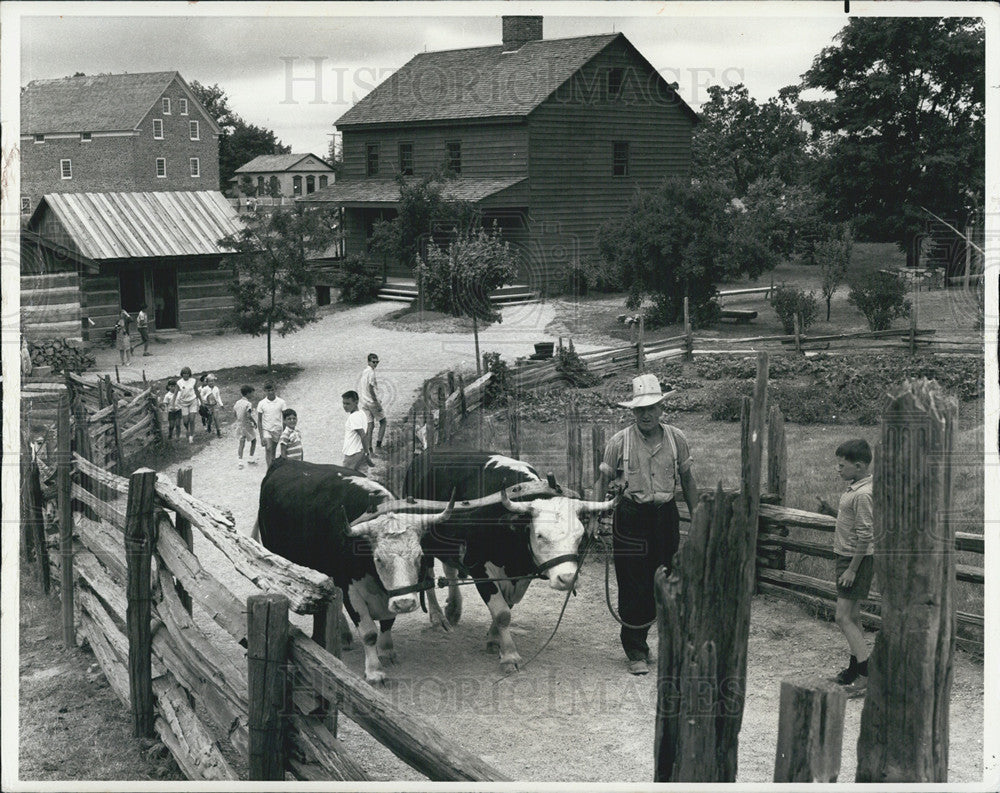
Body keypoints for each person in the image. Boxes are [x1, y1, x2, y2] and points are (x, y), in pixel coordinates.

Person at [592, 374, 698, 676]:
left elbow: (688, 481)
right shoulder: (619, 441)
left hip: (665, 517)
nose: (646, 414)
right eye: (640, 409)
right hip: (630, 518)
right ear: (632, 412)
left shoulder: (677, 439)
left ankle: (659, 644)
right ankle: (636, 650)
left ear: (662, 407)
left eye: (652, 407)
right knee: (632, 584)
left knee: (664, 580)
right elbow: (602, 481)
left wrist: (700, 518)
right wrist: (593, 517)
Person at [816, 438, 874, 693]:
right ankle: (854, 670)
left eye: (842, 465)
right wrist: (830, 511)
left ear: (859, 466)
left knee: (842, 617)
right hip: (847, 557)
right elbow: (851, 524)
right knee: (852, 616)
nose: (837, 469)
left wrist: (852, 569)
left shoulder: (863, 494)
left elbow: (866, 535)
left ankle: (865, 675)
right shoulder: (856, 488)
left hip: (854, 560)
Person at [357, 353, 387, 454]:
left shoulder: (364, 371)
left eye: (377, 362)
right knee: (383, 422)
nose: (375, 364)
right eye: (373, 362)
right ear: (369, 362)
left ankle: (369, 448)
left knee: (370, 425)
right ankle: (378, 444)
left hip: (364, 402)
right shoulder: (371, 373)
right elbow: (371, 389)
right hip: (371, 402)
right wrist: (377, 403)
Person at [341, 390, 373, 473]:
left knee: (345, 478)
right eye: (343, 403)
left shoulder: (353, 417)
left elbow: (363, 435)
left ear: (356, 402)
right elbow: (367, 432)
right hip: (361, 451)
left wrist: (367, 453)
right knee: (361, 479)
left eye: (348, 403)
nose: (345, 406)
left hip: (352, 453)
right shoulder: (362, 413)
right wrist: (366, 453)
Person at [257, 383, 287, 467]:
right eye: (268, 390)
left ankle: (272, 467)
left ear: (275, 389)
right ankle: (269, 470)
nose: (270, 392)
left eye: (272, 390)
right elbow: (259, 421)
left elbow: (285, 418)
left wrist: (285, 432)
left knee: (273, 451)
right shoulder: (261, 403)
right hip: (267, 430)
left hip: (278, 430)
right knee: (268, 449)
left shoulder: (281, 402)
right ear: (265, 391)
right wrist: (261, 436)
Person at [233, 385, 258, 467]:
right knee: (254, 440)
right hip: (247, 425)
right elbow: (248, 415)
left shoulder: (237, 402)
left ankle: (240, 460)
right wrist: (254, 422)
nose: (253, 395)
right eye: (252, 394)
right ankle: (251, 458)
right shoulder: (248, 404)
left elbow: (234, 414)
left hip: (240, 424)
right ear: (247, 393)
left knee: (241, 442)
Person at [175, 366, 201, 443]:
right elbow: (175, 393)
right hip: (183, 403)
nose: (185, 375)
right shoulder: (179, 382)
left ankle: (191, 436)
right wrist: (173, 403)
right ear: (182, 374)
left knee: (192, 419)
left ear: (189, 374)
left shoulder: (193, 381)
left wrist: (201, 401)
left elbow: (196, 391)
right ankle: (188, 430)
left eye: (187, 373)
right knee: (185, 421)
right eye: (184, 373)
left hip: (193, 401)